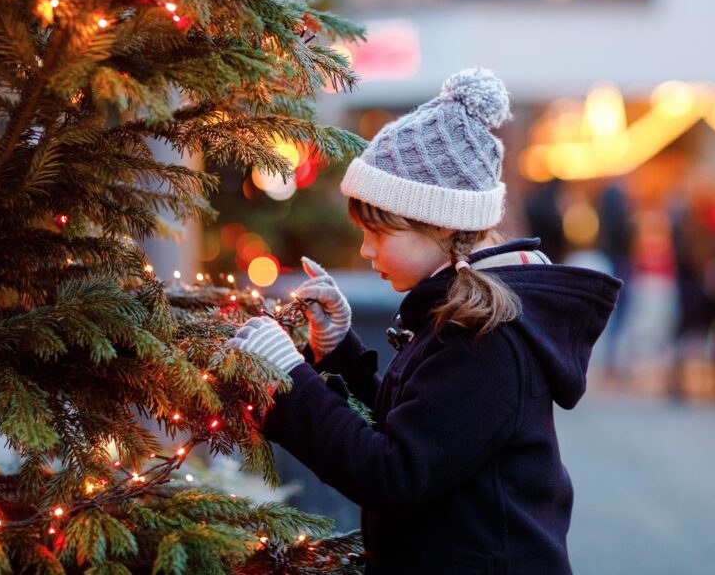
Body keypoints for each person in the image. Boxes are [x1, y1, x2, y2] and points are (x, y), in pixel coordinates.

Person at [227, 68, 621, 574]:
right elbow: (416, 428)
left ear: (438, 223)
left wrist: (290, 379)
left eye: (379, 232)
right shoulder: (458, 312)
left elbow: (393, 472)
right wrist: (338, 352)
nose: (366, 250)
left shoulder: (486, 336)